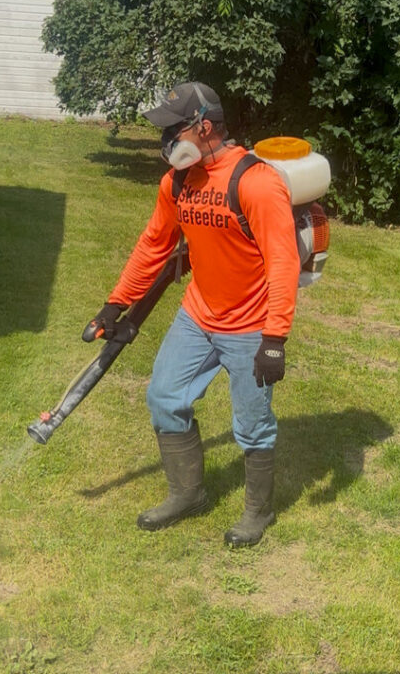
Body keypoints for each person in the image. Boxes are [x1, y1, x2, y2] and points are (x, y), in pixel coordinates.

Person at [86, 81, 300, 547]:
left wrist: (275, 338)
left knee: (252, 423)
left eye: (173, 132)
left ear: (204, 127)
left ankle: (257, 513)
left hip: (250, 326)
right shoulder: (178, 181)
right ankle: (188, 494)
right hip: (197, 317)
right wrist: (116, 302)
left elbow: (285, 262)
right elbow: (153, 244)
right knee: (164, 397)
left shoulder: (257, 183)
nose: (165, 143)